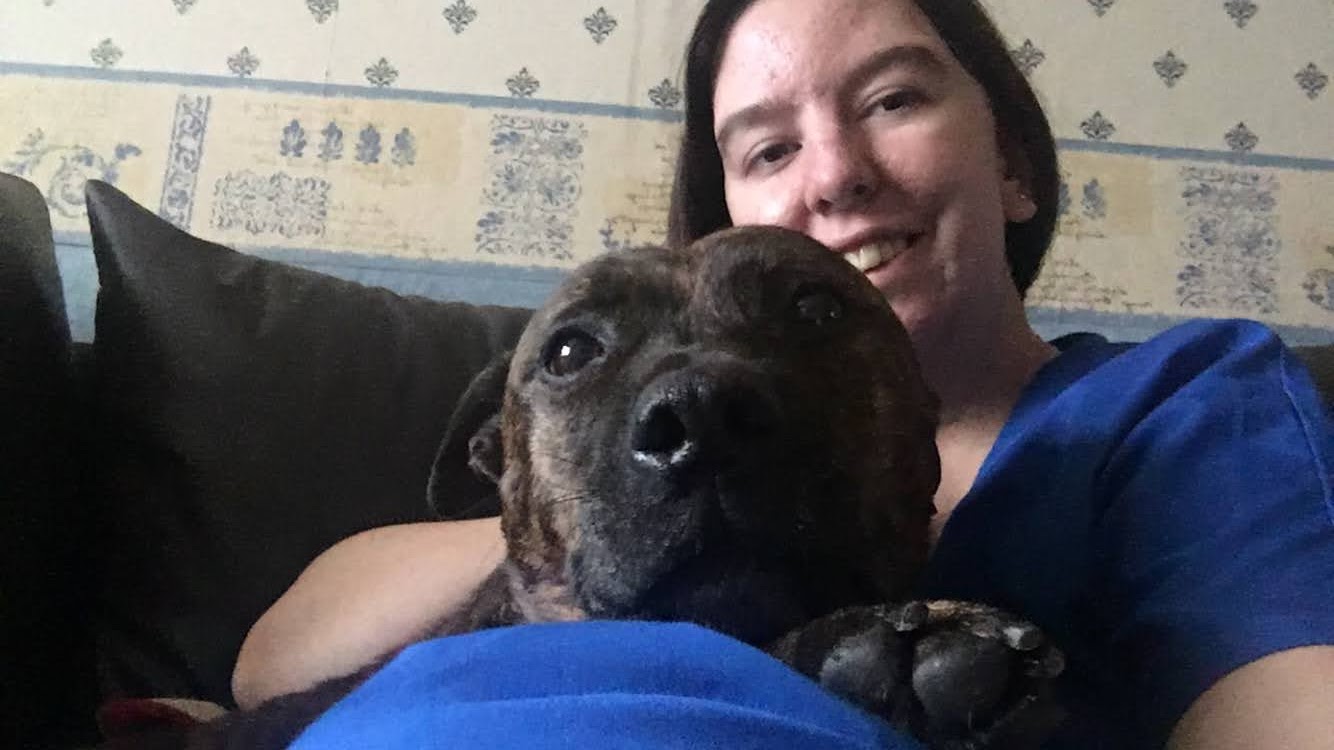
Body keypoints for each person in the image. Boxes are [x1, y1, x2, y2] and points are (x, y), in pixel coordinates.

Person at [232, 0, 1334, 747]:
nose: (836, 175)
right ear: (727, 221)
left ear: (1007, 161)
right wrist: (598, 505)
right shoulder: (543, 515)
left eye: (893, 99)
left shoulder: (1178, 405)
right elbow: (271, 662)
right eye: (766, 150)